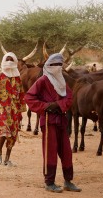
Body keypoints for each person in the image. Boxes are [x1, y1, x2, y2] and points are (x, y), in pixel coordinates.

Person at [24, 53, 81, 193]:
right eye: (54, 64)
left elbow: (69, 98)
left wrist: (58, 105)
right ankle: (49, 182)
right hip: (48, 120)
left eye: (59, 65)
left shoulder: (62, 81)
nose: (57, 67)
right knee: (50, 151)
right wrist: (45, 106)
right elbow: (29, 98)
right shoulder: (42, 80)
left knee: (66, 151)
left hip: (61, 120)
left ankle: (68, 181)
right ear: (49, 66)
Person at [0, 52, 27, 166]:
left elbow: (21, 95)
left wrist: (20, 112)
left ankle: (7, 159)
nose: (9, 62)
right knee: (5, 132)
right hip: (2, 109)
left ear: (15, 62)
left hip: (15, 110)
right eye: (7, 59)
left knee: (13, 134)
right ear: (4, 61)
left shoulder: (18, 78)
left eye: (11, 59)